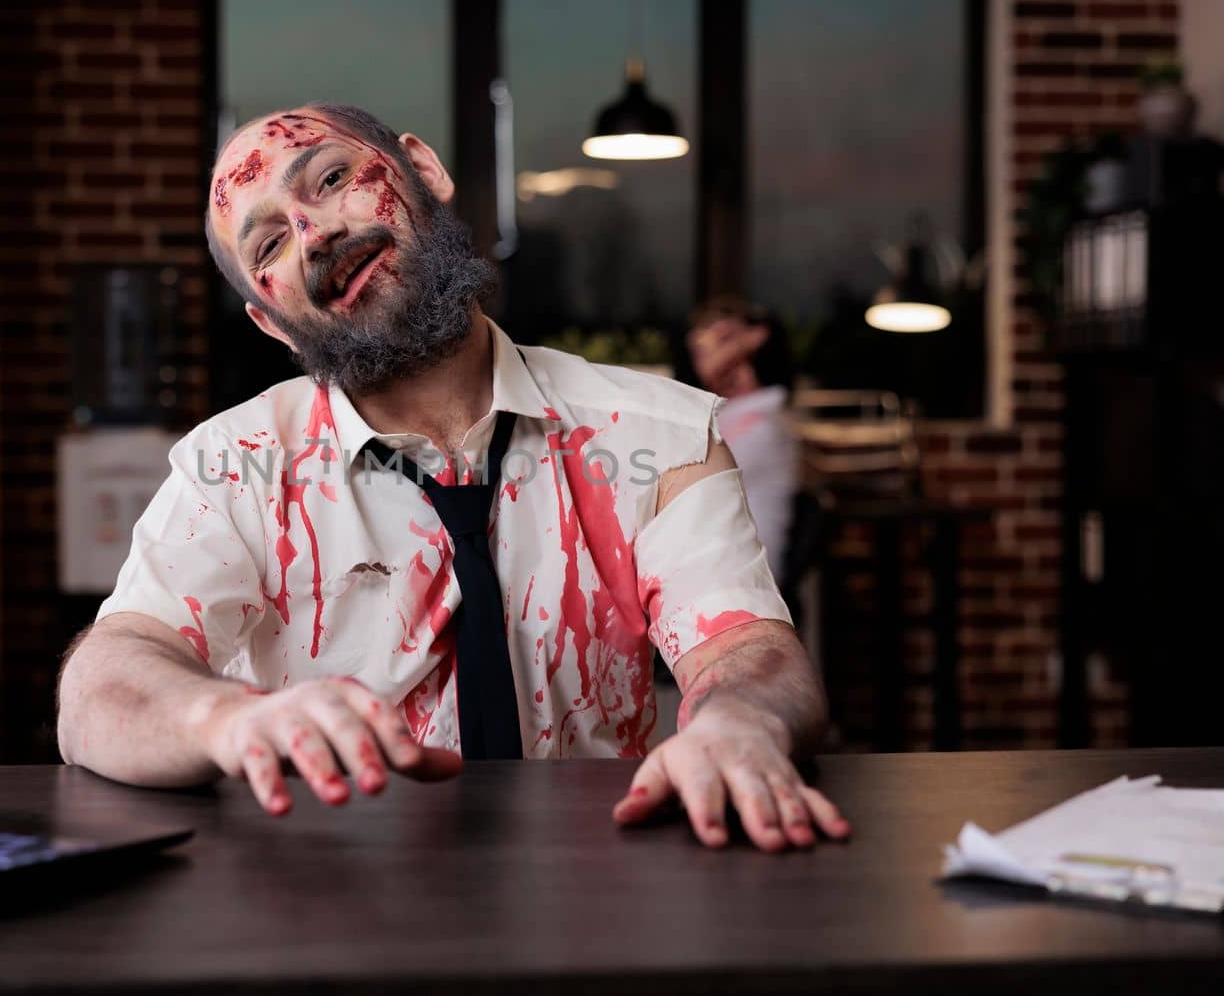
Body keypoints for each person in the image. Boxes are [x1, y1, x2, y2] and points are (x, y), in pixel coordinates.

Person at [56, 104, 849, 852]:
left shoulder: (660, 435)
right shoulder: (233, 466)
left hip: (604, 887)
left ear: (423, 170)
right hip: (328, 906)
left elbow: (748, 651)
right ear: (272, 323)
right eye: (267, 247)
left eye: (330, 179)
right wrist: (224, 719)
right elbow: (104, 682)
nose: (314, 234)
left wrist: (738, 722)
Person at [688, 301, 801, 577]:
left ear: (755, 342)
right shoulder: (727, 414)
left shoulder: (763, 424)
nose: (701, 343)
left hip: (743, 581)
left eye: (723, 337)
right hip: (715, 564)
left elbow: (690, 485)